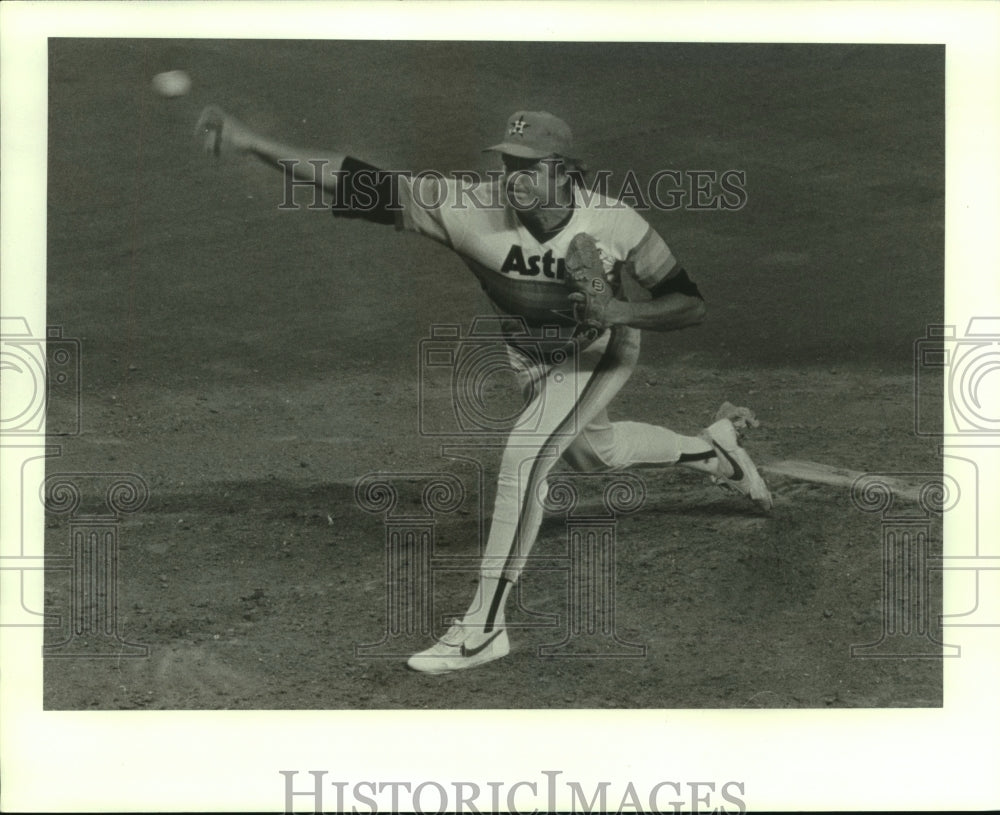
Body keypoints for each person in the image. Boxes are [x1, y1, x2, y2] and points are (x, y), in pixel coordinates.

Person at [195, 106, 773, 674]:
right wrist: (253, 143)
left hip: (597, 353)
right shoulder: (468, 208)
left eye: (527, 166)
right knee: (596, 455)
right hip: (529, 362)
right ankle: (714, 449)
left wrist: (620, 309)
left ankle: (483, 627)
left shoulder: (616, 223)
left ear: (564, 171)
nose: (511, 177)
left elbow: (689, 304)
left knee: (524, 458)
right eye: (506, 164)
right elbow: (354, 180)